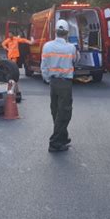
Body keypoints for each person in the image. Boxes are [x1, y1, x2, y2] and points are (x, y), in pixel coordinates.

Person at [41, 20, 79, 152]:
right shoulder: (71, 48)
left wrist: (47, 79)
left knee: (56, 110)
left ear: (55, 31)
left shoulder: (47, 46)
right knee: (64, 112)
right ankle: (55, 143)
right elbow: (75, 60)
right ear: (67, 33)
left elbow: (44, 65)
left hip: (53, 82)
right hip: (65, 83)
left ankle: (63, 137)